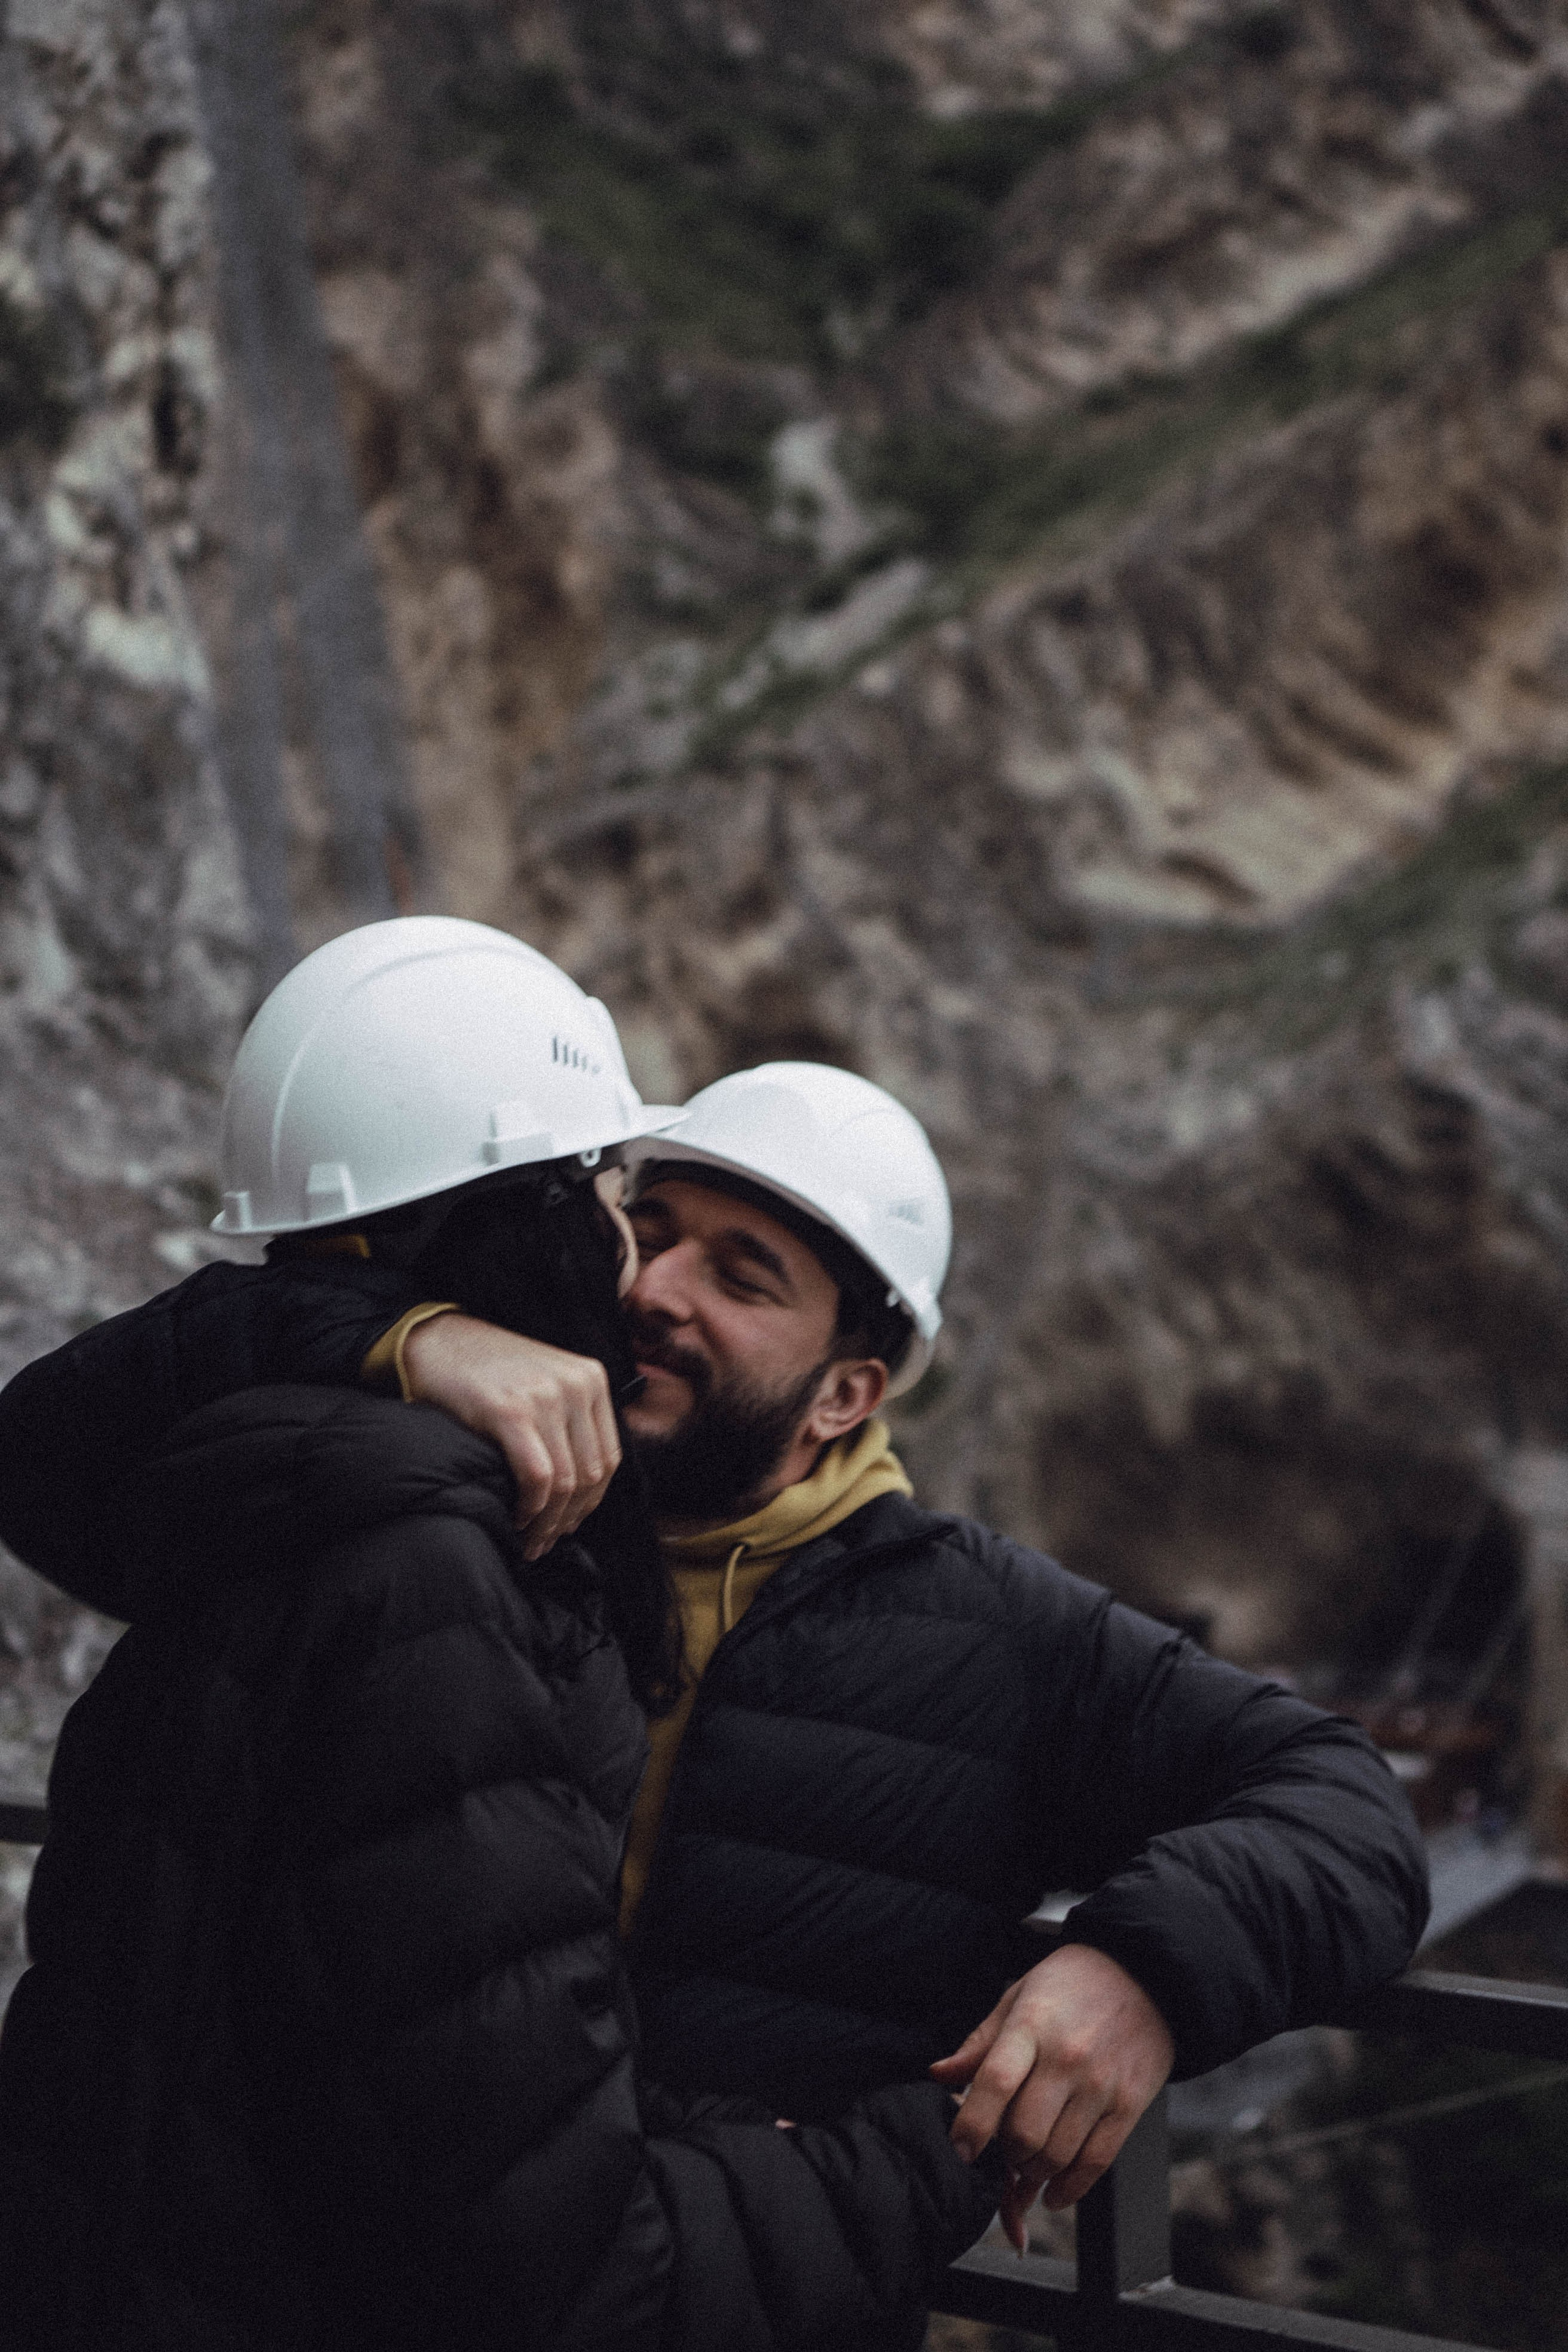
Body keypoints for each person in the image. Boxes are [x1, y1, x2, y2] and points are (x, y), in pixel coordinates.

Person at [0, 936, 1430, 2268]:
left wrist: (1141, 1970)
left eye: (742, 1277)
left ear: (847, 1393)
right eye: (651, 1223)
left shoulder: (986, 1634)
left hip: (707, 2283)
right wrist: (395, 1337)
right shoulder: (462, 1508)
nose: (654, 1289)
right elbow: (57, 1454)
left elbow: (1342, 1805)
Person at [0, 919, 997, 2352]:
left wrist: (386, 1331)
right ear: (526, 1224)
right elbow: (578, 2279)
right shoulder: (434, 1585)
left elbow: (377, 2045)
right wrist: (928, 2146)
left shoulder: (261, 1495)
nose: (632, 1264)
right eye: (613, 1196)